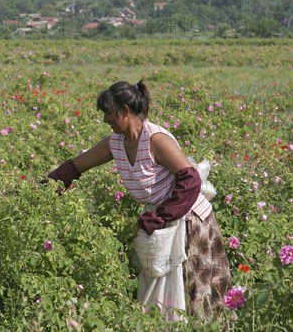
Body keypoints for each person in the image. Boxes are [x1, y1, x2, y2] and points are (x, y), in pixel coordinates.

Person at [46, 80, 231, 322]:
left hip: (190, 220)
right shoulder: (115, 144)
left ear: (125, 110)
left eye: (109, 113)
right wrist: (45, 190)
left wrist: (162, 216)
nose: (105, 120)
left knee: (198, 292)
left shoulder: (156, 140)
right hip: (160, 220)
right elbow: (75, 166)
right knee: (161, 291)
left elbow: (190, 180)